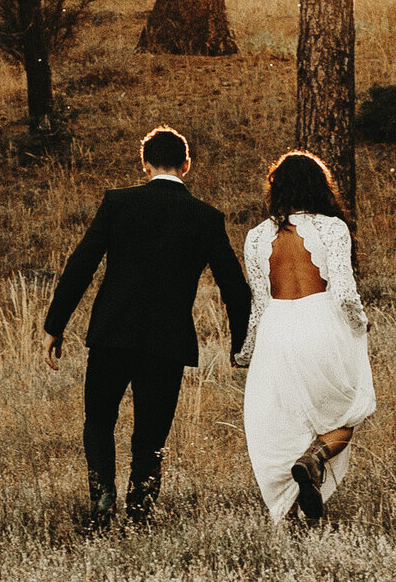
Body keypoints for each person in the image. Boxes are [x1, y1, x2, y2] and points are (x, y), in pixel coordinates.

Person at [44, 125, 251, 534]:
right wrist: (240, 344)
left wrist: (56, 325)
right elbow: (234, 287)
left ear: (145, 165)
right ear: (186, 165)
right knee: (150, 433)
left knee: (99, 420)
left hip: (111, 334)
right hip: (167, 343)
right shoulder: (206, 218)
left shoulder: (119, 203)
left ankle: (102, 502)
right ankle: (140, 514)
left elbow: (81, 263)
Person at [237, 148, 376, 528]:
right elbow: (346, 293)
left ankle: (293, 512)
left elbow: (260, 304)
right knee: (346, 411)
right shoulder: (332, 228)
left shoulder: (256, 237)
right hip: (323, 322)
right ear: (319, 187)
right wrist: (361, 324)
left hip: (277, 332)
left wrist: (246, 352)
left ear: (276, 188)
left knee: (287, 422)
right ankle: (314, 461)